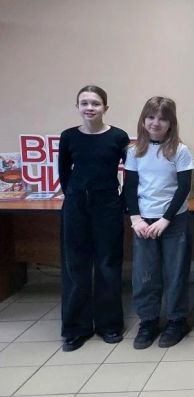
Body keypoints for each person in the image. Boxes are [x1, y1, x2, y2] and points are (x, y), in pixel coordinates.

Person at [58, 85, 130, 352]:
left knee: (107, 265)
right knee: (75, 266)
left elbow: (132, 172)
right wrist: (75, 196)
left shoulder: (118, 137)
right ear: (77, 107)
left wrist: (121, 202)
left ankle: (109, 325)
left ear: (105, 108)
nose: (90, 108)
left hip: (107, 205)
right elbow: (64, 172)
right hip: (76, 205)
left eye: (96, 103)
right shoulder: (68, 136)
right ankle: (75, 328)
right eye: (85, 103)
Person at [124, 97, 193, 350]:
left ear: (171, 123)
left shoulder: (180, 151)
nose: (156, 123)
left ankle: (177, 320)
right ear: (143, 120)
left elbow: (183, 188)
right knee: (145, 274)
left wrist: (166, 219)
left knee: (175, 273)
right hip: (144, 221)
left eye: (163, 119)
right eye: (151, 117)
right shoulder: (134, 151)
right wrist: (136, 219)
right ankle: (148, 321)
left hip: (173, 220)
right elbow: (130, 187)